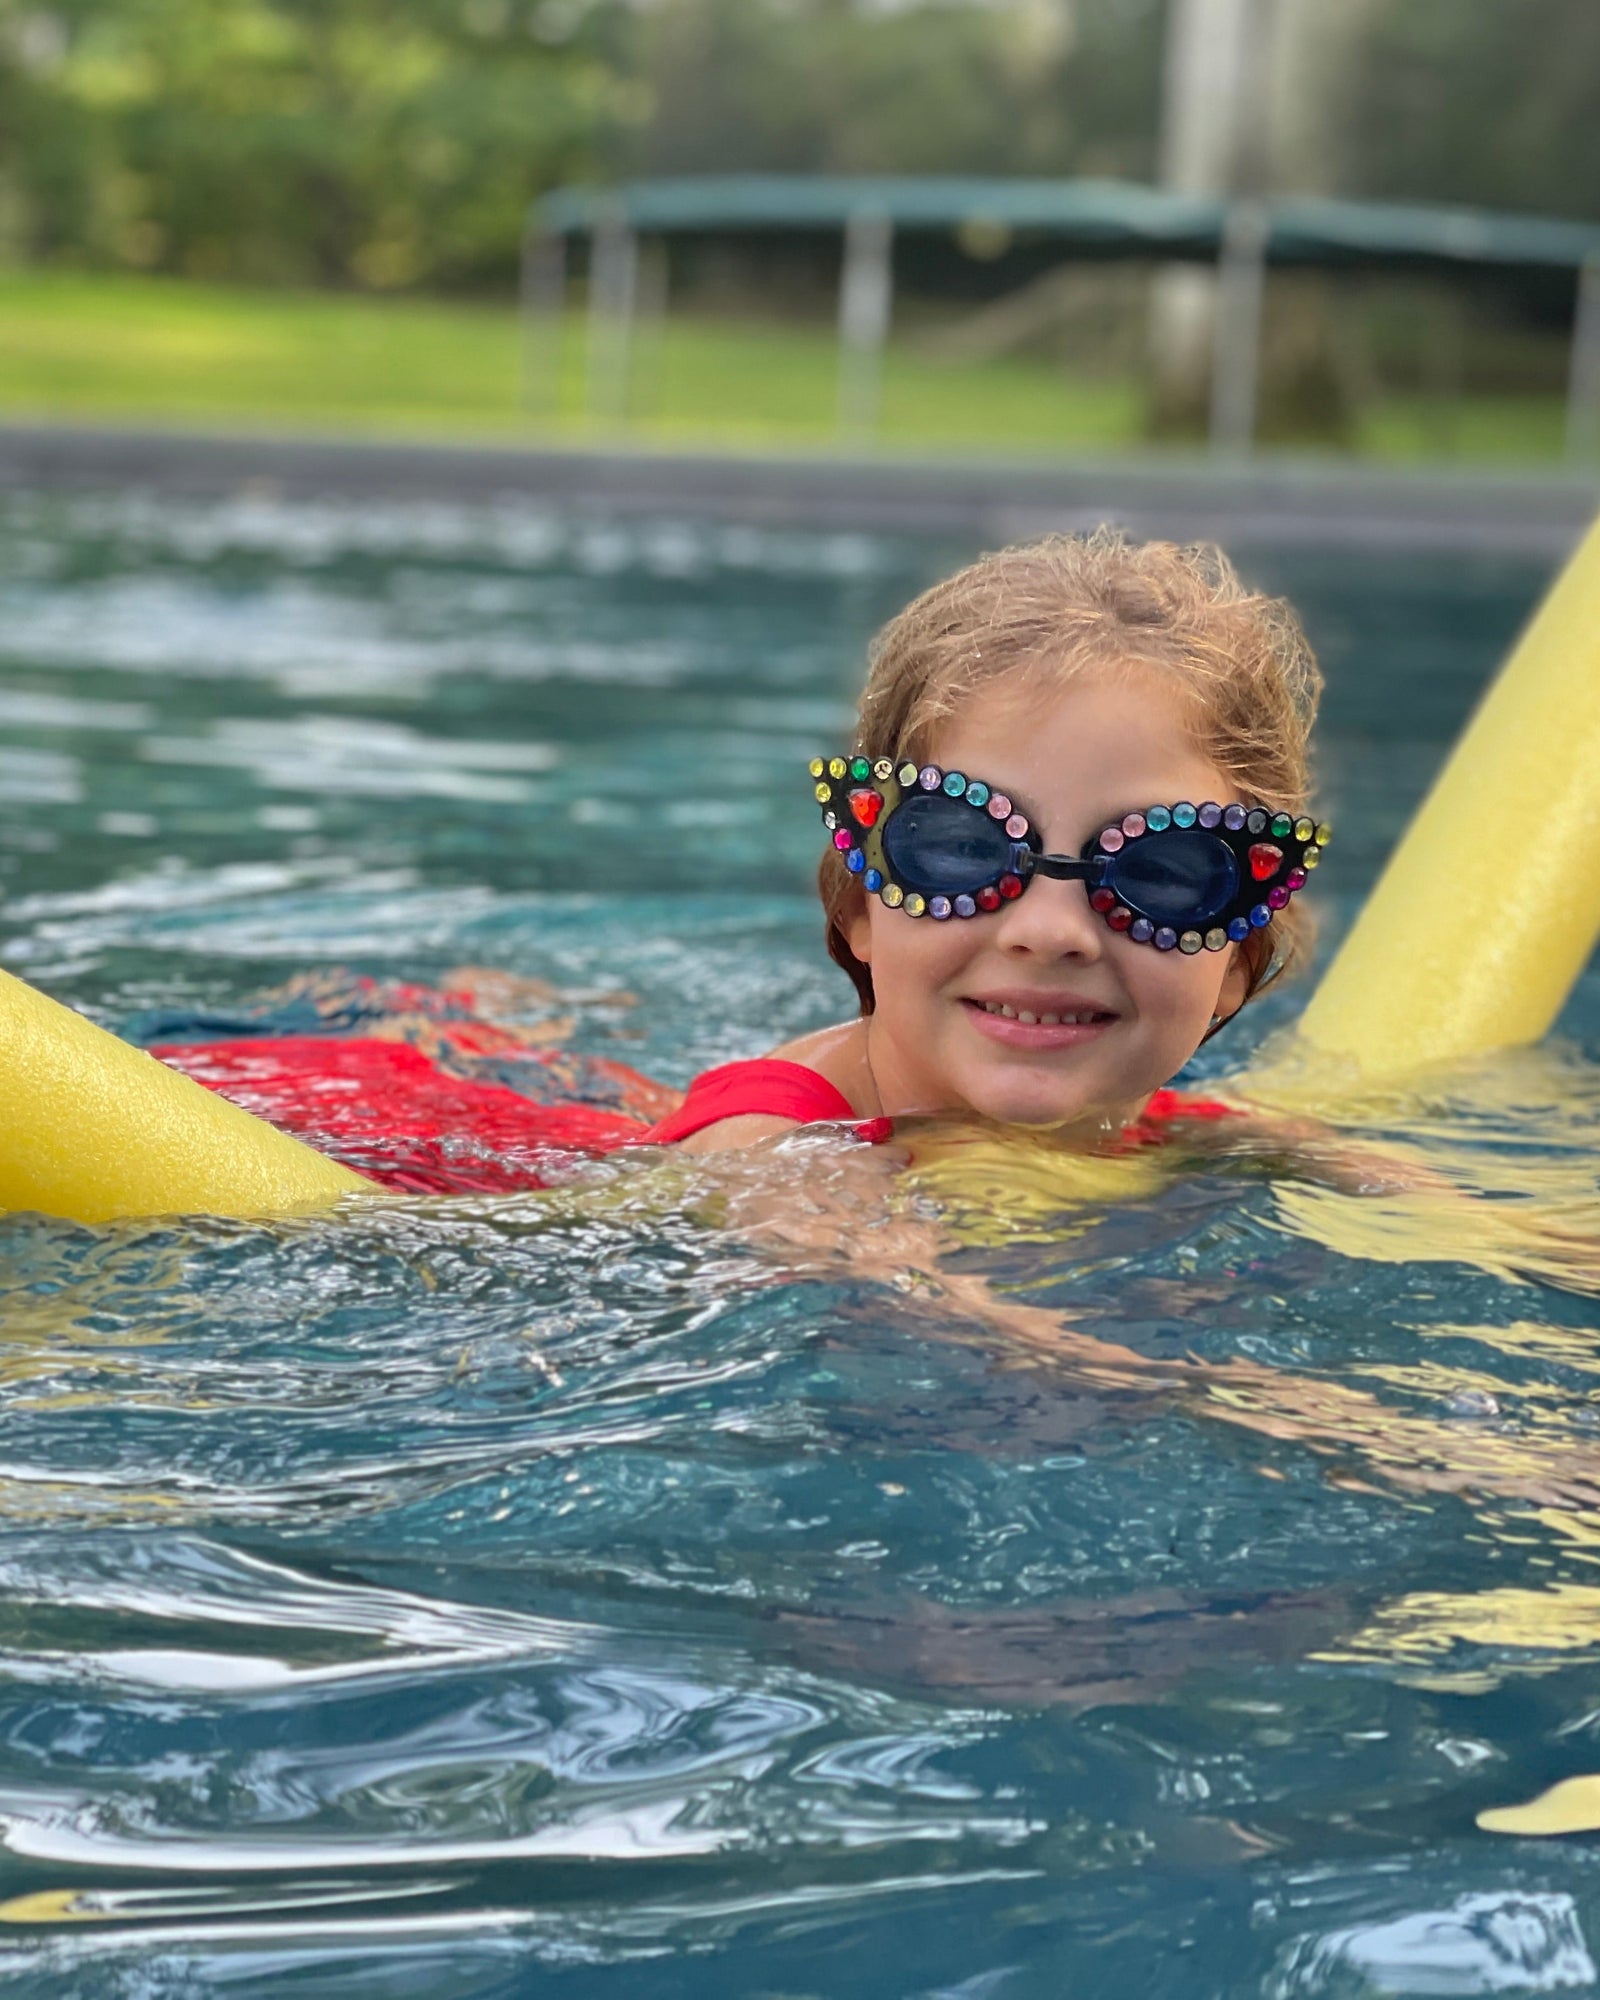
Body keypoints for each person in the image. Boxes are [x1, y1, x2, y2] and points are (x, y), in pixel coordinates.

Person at [647, 528, 1325, 1155]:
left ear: (1238, 958)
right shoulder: (772, 1149)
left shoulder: (1209, 1142)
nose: (1051, 930)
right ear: (860, 904)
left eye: (1161, 875)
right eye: (963, 850)